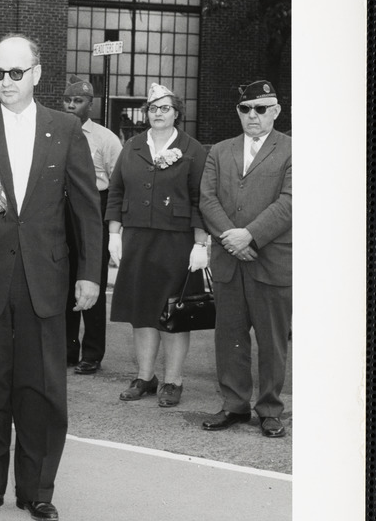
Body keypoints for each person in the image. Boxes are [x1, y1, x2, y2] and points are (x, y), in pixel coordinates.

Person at [0, 34, 100, 521]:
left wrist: (90, 275)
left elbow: (85, 209)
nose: (6, 82)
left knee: (41, 390)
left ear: (37, 74)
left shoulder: (65, 128)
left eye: (16, 73)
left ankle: (37, 490)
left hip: (46, 279)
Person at [105, 83, 209, 408]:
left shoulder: (193, 149)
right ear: (146, 112)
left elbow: (200, 199)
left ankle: (174, 380)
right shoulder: (133, 146)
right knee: (142, 312)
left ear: (177, 112)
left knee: (172, 314)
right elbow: (116, 191)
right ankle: (145, 377)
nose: (159, 113)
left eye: (165, 108)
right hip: (137, 239)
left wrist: (200, 243)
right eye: (153, 108)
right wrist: (114, 234)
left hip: (176, 241)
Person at [198, 81, 292, 438]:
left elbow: (290, 201)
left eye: (261, 108)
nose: (252, 115)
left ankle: (270, 408)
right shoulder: (220, 151)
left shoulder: (292, 150)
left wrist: (249, 234)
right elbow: (207, 200)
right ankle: (234, 405)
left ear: (276, 110)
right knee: (230, 336)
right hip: (229, 258)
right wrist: (232, 239)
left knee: (272, 340)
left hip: (271, 258)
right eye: (245, 109)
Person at [62, 76, 123, 375]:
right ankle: (68, 348)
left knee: (92, 279)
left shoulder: (106, 138)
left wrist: (114, 227)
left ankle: (93, 353)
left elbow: (118, 184)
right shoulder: (56, 132)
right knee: (65, 281)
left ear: (91, 104)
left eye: (79, 101)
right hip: (62, 210)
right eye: (68, 100)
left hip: (95, 208)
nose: (72, 105)